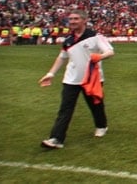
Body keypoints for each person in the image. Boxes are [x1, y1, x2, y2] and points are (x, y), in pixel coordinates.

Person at [38, 9, 115, 149]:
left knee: (96, 105)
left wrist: (100, 57)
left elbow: (110, 51)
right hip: (71, 79)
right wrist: (51, 73)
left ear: (84, 20)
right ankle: (56, 138)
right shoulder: (68, 40)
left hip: (92, 79)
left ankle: (101, 125)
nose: (72, 21)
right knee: (65, 108)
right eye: (71, 19)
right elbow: (62, 58)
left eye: (76, 19)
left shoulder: (96, 36)